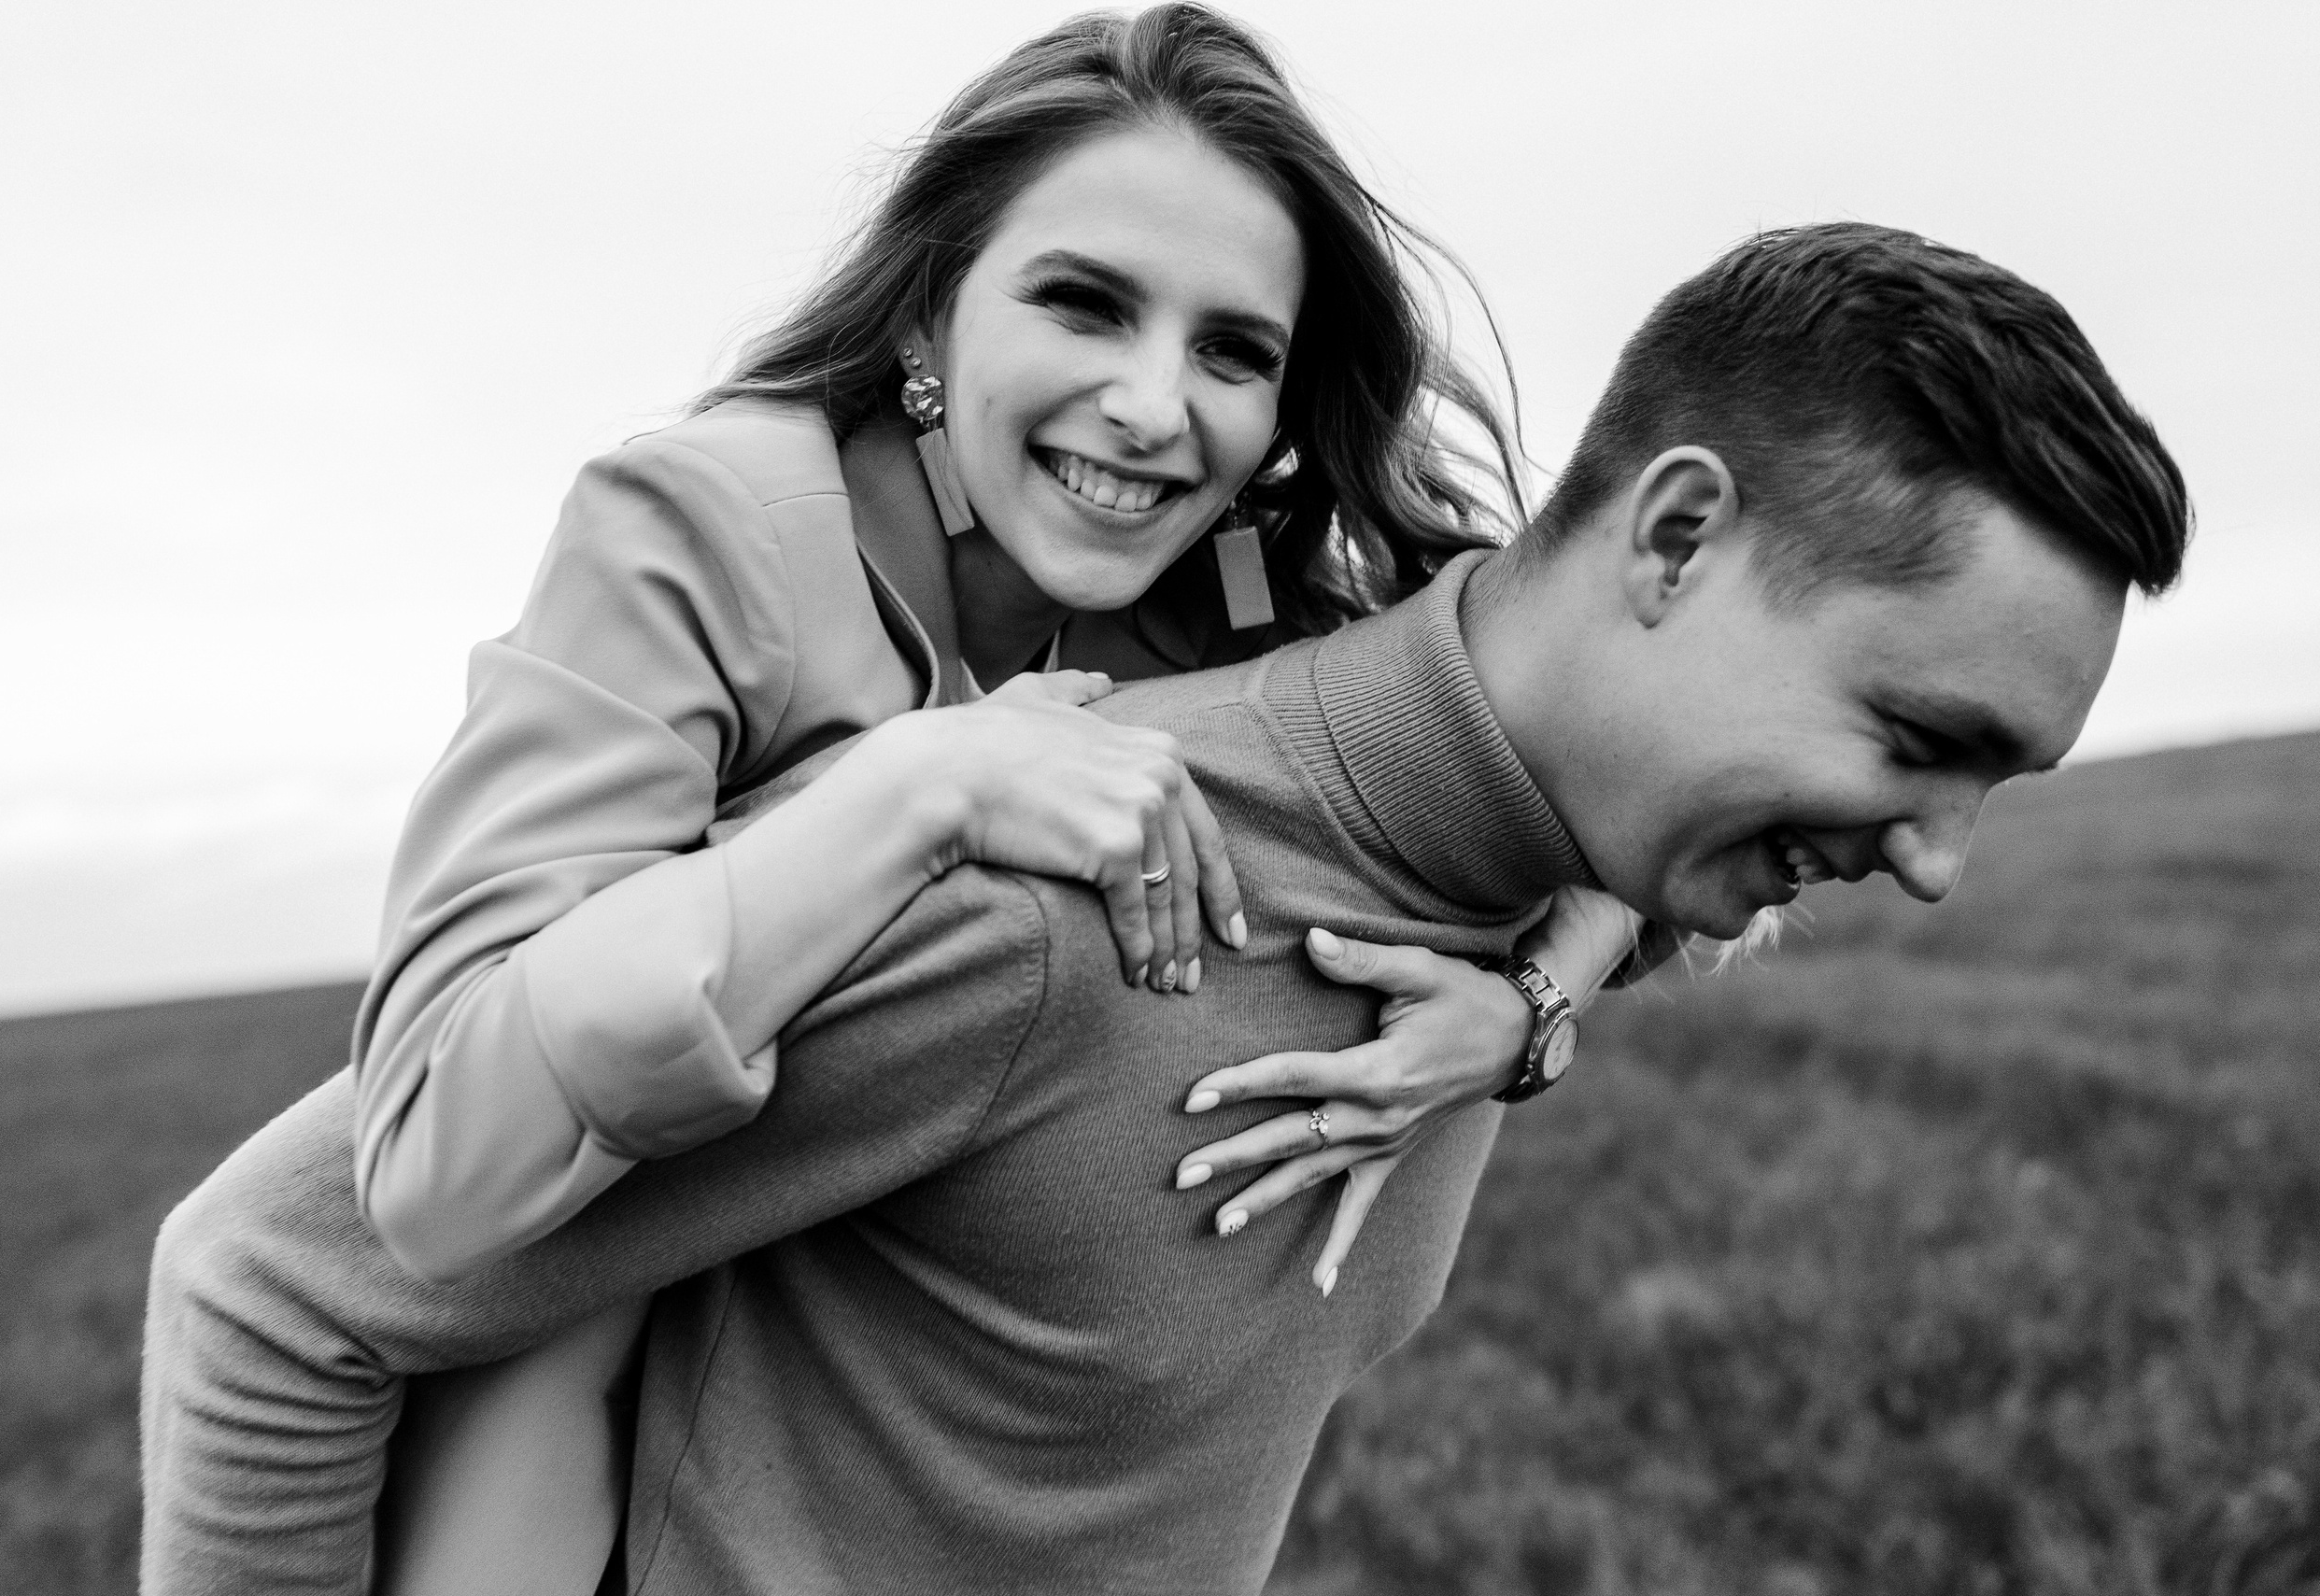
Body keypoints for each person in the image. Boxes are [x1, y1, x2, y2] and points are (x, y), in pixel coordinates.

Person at [142, 219, 2188, 1593]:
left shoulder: (1544, 846)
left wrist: (1540, 1008)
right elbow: (268, 1284)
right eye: (1916, 739)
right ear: (1672, 536)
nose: (1931, 852)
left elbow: (1601, 882)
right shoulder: (1071, 896)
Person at [157, 8, 1661, 1593]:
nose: (1156, 407)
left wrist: (1529, 1008)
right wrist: (921, 785)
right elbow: (424, 1161)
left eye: (1234, 350)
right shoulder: (707, 528)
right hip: (541, 1394)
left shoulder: (1257, 615)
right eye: (1086, 304)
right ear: (932, 318)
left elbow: (1626, 752)